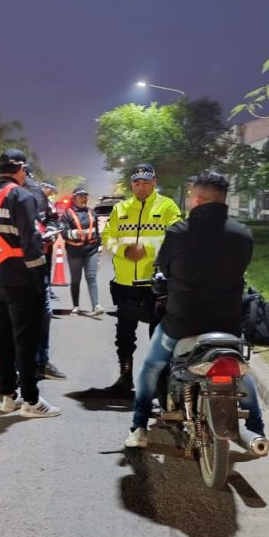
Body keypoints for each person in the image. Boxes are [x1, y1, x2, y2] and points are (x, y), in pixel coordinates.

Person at [124, 170, 264, 448]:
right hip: (227, 322)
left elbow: (164, 268)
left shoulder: (179, 232)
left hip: (182, 321)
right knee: (241, 371)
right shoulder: (243, 234)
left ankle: (139, 427)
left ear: (198, 199)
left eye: (190, 196)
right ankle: (257, 427)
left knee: (151, 366)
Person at [0, 149, 61, 418]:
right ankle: (31, 401)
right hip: (20, 279)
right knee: (26, 342)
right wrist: (38, 278)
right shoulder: (21, 195)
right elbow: (30, 241)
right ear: (20, 169)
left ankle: (8, 396)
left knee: (5, 339)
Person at [100, 163, 182, 394]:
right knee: (124, 334)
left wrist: (146, 248)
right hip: (126, 283)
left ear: (154, 182)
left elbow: (176, 238)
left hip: (155, 284)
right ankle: (125, 377)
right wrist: (124, 250)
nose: (142, 187)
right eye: (137, 183)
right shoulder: (121, 208)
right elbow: (108, 236)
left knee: (158, 336)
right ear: (131, 185)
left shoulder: (167, 206)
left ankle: (161, 383)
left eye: (146, 182)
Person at [31, 177, 67, 380]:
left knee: (40, 313)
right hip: (23, 267)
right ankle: (33, 366)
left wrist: (51, 229)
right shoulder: (21, 197)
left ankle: (37, 363)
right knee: (35, 315)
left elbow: (52, 218)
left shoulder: (44, 201)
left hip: (39, 261)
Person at [58, 186, 103, 315]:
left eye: (85, 196)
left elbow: (97, 233)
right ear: (74, 198)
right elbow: (63, 233)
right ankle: (76, 306)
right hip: (74, 252)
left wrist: (99, 250)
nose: (84, 199)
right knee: (76, 279)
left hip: (91, 250)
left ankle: (96, 306)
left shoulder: (91, 212)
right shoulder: (67, 214)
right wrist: (75, 233)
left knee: (91, 277)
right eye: (80, 196)